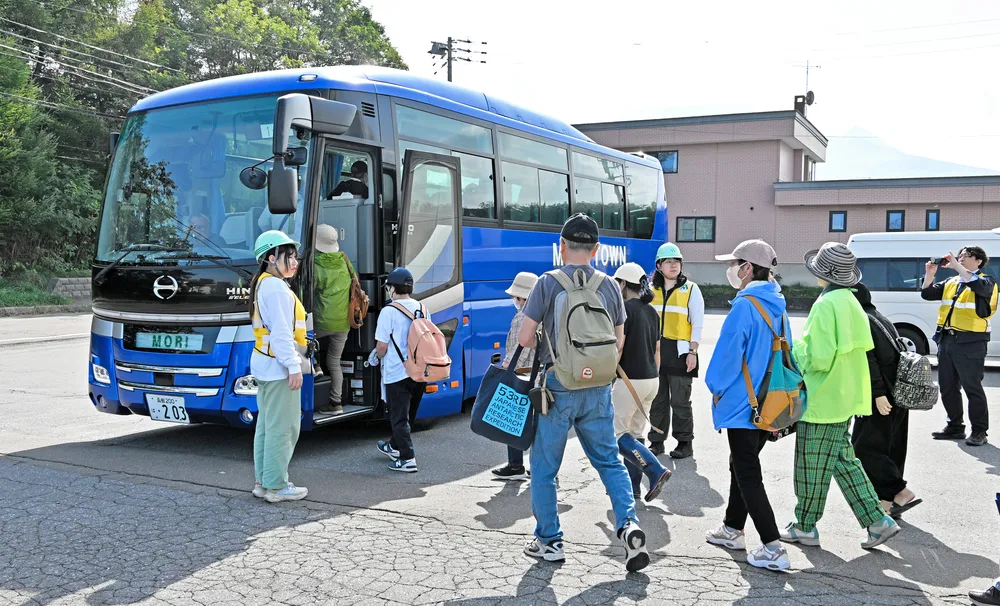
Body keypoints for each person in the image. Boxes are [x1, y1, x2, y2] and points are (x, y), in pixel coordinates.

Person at [517, 213, 649, 572]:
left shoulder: (547, 283)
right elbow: (619, 340)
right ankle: (628, 525)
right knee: (608, 460)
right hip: (598, 388)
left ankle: (550, 541)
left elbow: (525, 338)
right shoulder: (609, 285)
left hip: (558, 386)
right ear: (596, 249)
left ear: (562, 246)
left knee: (544, 468)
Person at [783, 242, 901, 550]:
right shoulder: (850, 300)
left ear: (823, 274)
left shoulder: (826, 304)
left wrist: (794, 352)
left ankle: (805, 526)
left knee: (810, 466)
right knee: (844, 462)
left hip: (823, 397)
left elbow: (818, 358)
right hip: (846, 397)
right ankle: (878, 522)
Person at [703, 239, 791, 571]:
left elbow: (727, 358)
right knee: (740, 464)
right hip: (770, 401)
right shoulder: (777, 303)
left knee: (747, 472)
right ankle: (731, 528)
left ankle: (772, 547)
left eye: (735, 262)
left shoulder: (745, 305)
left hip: (743, 403)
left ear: (748, 268)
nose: (732, 269)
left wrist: (715, 388)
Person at [850, 282, 921, 518]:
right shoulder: (879, 316)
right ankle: (888, 503)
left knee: (863, 448)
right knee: (891, 447)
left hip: (882, 395)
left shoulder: (862, 321)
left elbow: (869, 359)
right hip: (898, 392)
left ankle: (899, 491)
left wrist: (878, 393)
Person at [249, 230, 309, 503]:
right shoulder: (275, 288)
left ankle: (264, 482)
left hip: (266, 364)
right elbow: (282, 334)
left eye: (296, 256)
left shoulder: (264, 283)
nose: (295, 262)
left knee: (268, 425)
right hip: (278, 367)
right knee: (283, 428)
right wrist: (294, 366)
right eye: (289, 257)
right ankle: (276, 486)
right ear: (271, 258)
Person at [921, 246, 999, 446]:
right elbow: (927, 294)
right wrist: (929, 275)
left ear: (978, 261)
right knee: (948, 387)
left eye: (966, 256)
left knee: (972, 388)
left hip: (971, 342)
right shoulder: (951, 281)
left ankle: (980, 431)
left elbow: (978, 286)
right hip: (947, 340)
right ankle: (955, 427)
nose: (961, 258)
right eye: (960, 255)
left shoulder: (987, 280)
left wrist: (957, 267)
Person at [612, 262, 672, 503]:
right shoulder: (652, 311)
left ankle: (655, 470)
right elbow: (657, 350)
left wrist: (607, 375)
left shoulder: (624, 309)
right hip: (651, 379)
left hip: (629, 380)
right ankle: (634, 490)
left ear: (624, 284)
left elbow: (619, 345)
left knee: (616, 435)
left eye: (617, 283)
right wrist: (653, 376)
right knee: (635, 435)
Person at [647, 242, 704, 459]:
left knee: (680, 401)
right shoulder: (651, 291)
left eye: (677, 262)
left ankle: (684, 443)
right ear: (659, 265)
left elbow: (697, 323)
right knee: (657, 400)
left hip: (681, 353)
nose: (673, 266)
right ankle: (656, 442)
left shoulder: (690, 289)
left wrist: (693, 352)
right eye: (669, 262)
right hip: (656, 352)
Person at [372, 268, 424, 473]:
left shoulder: (389, 311)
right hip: (419, 370)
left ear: (393, 288)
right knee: (407, 414)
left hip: (397, 372)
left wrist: (375, 355)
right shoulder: (422, 307)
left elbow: (381, 347)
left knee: (398, 417)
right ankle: (394, 446)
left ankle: (407, 458)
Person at [491, 271, 539, 481]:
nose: (513, 300)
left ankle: (515, 465)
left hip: (522, 374)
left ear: (521, 297)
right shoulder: (540, 313)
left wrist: (505, 369)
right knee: (536, 422)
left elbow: (522, 346)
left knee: (513, 419)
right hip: (536, 375)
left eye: (514, 297)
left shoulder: (523, 316)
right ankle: (539, 467)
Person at [313, 224, 355, 415]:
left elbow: (306, 293)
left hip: (321, 322)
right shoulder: (345, 260)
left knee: (307, 346)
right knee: (335, 361)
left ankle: (315, 366)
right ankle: (335, 403)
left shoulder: (315, 265)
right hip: (344, 322)